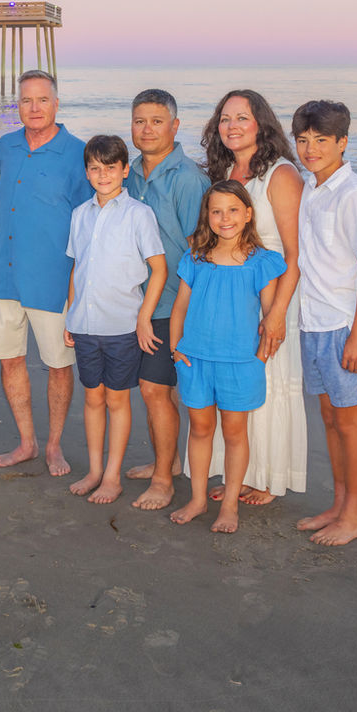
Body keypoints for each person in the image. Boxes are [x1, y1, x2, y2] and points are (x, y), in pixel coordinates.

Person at [0, 70, 93, 475]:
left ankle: (53, 446)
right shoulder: (4, 147)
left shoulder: (77, 154)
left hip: (52, 280)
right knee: (10, 361)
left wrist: (77, 288)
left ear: (56, 104)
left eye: (42, 100)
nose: (34, 108)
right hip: (2, 277)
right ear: (18, 105)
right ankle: (27, 442)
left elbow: (87, 227)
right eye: (26, 100)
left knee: (59, 365)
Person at [201, 89, 307, 506]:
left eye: (242, 118)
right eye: (225, 118)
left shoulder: (280, 175)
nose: (232, 126)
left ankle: (265, 477)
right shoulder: (224, 170)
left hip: (270, 295)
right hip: (228, 298)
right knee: (233, 382)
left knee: (266, 380)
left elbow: (294, 254)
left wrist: (277, 313)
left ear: (261, 123)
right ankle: (237, 475)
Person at [291, 100, 357, 546]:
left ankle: (354, 516)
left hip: (348, 326)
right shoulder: (311, 188)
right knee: (330, 418)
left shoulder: (354, 195)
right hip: (315, 319)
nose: (311, 149)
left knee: (350, 422)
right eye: (304, 141)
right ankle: (338, 503)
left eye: (321, 141)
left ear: (342, 142)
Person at [168, 181, 286, 533]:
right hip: (195, 360)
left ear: (248, 214)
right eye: (216, 211)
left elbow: (270, 318)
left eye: (233, 210)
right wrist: (176, 350)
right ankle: (198, 498)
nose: (225, 218)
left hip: (240, 363)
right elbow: (180, 308)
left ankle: (230, 505)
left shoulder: (262, 263)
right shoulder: (195, 258)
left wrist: (260, 359)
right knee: (200, 429)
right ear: (207, 215)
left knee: (235, 433)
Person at [63, 135, 167, 504]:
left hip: (122, 325)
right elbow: (78, 268)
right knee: (93, 398)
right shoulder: (80, 214)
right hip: (84, 324)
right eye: (95, 168)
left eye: (110, 167)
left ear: (125, 170)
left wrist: (143, 318)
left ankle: (112, 476)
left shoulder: (139, 214)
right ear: (87, 172)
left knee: (117, 400)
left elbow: (158, 269)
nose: (102, 174)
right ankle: (94, 470)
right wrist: (69, 315)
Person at [123, 89, 208, 510]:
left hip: (173, 304)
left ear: (175, 127)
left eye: (157, 121)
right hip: (135, 302)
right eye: (140, 121)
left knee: (154, 388)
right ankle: (169, 462)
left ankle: (163, 480)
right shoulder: (129, 173)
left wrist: (189, 313)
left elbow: (202, 246)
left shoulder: (188, 179)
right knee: (156, 390)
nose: (147, 128)